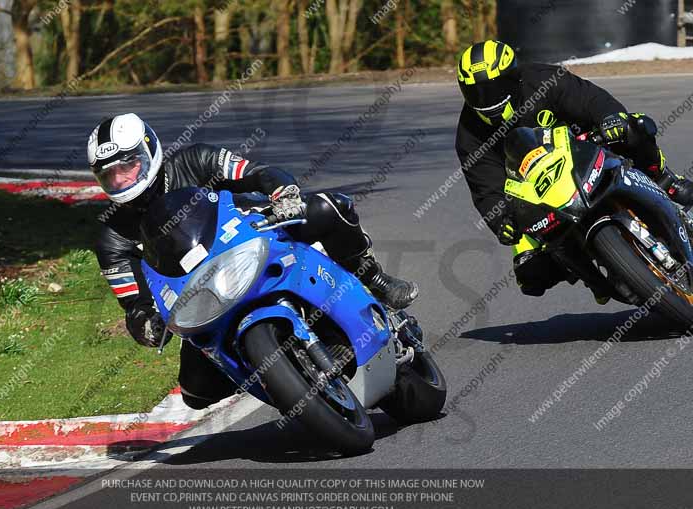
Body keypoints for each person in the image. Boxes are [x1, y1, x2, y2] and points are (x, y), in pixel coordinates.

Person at [88, 113, 418, 409]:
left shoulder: (195, 159)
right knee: (196, 393)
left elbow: (257, 173)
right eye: (110, 175)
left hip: (259, 238)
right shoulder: (111, 236)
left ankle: (375, 278)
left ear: (149, 152)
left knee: (327, 207)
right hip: (205, 297)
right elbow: (133, 300)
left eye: (127, 166)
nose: (121, 180)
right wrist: (146, 322)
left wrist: (281, 191)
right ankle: (276, 376)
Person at [455, 39, 693, 298]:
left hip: (586, 149)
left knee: (633, 128)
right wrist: (501, 220)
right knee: (531, 275)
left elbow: (590, 99)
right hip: (537, 191)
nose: (484, 100)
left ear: (514, 77)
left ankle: (662, 178)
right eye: (474, 92)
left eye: (491, 89)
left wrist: (609, 117)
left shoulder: (543, 79)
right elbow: (485, 188)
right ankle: (594, 275)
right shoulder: (469, 135)